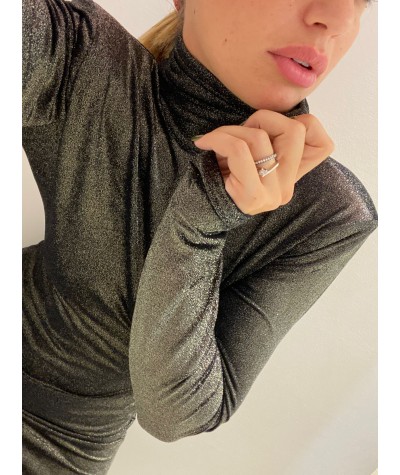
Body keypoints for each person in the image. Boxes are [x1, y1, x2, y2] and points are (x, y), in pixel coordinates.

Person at [22, 0, 377, 473]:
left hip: (53, 449)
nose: (338, 18)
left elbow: (174, 415)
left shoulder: (327, 211)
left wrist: (205, 218)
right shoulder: (80, 51)